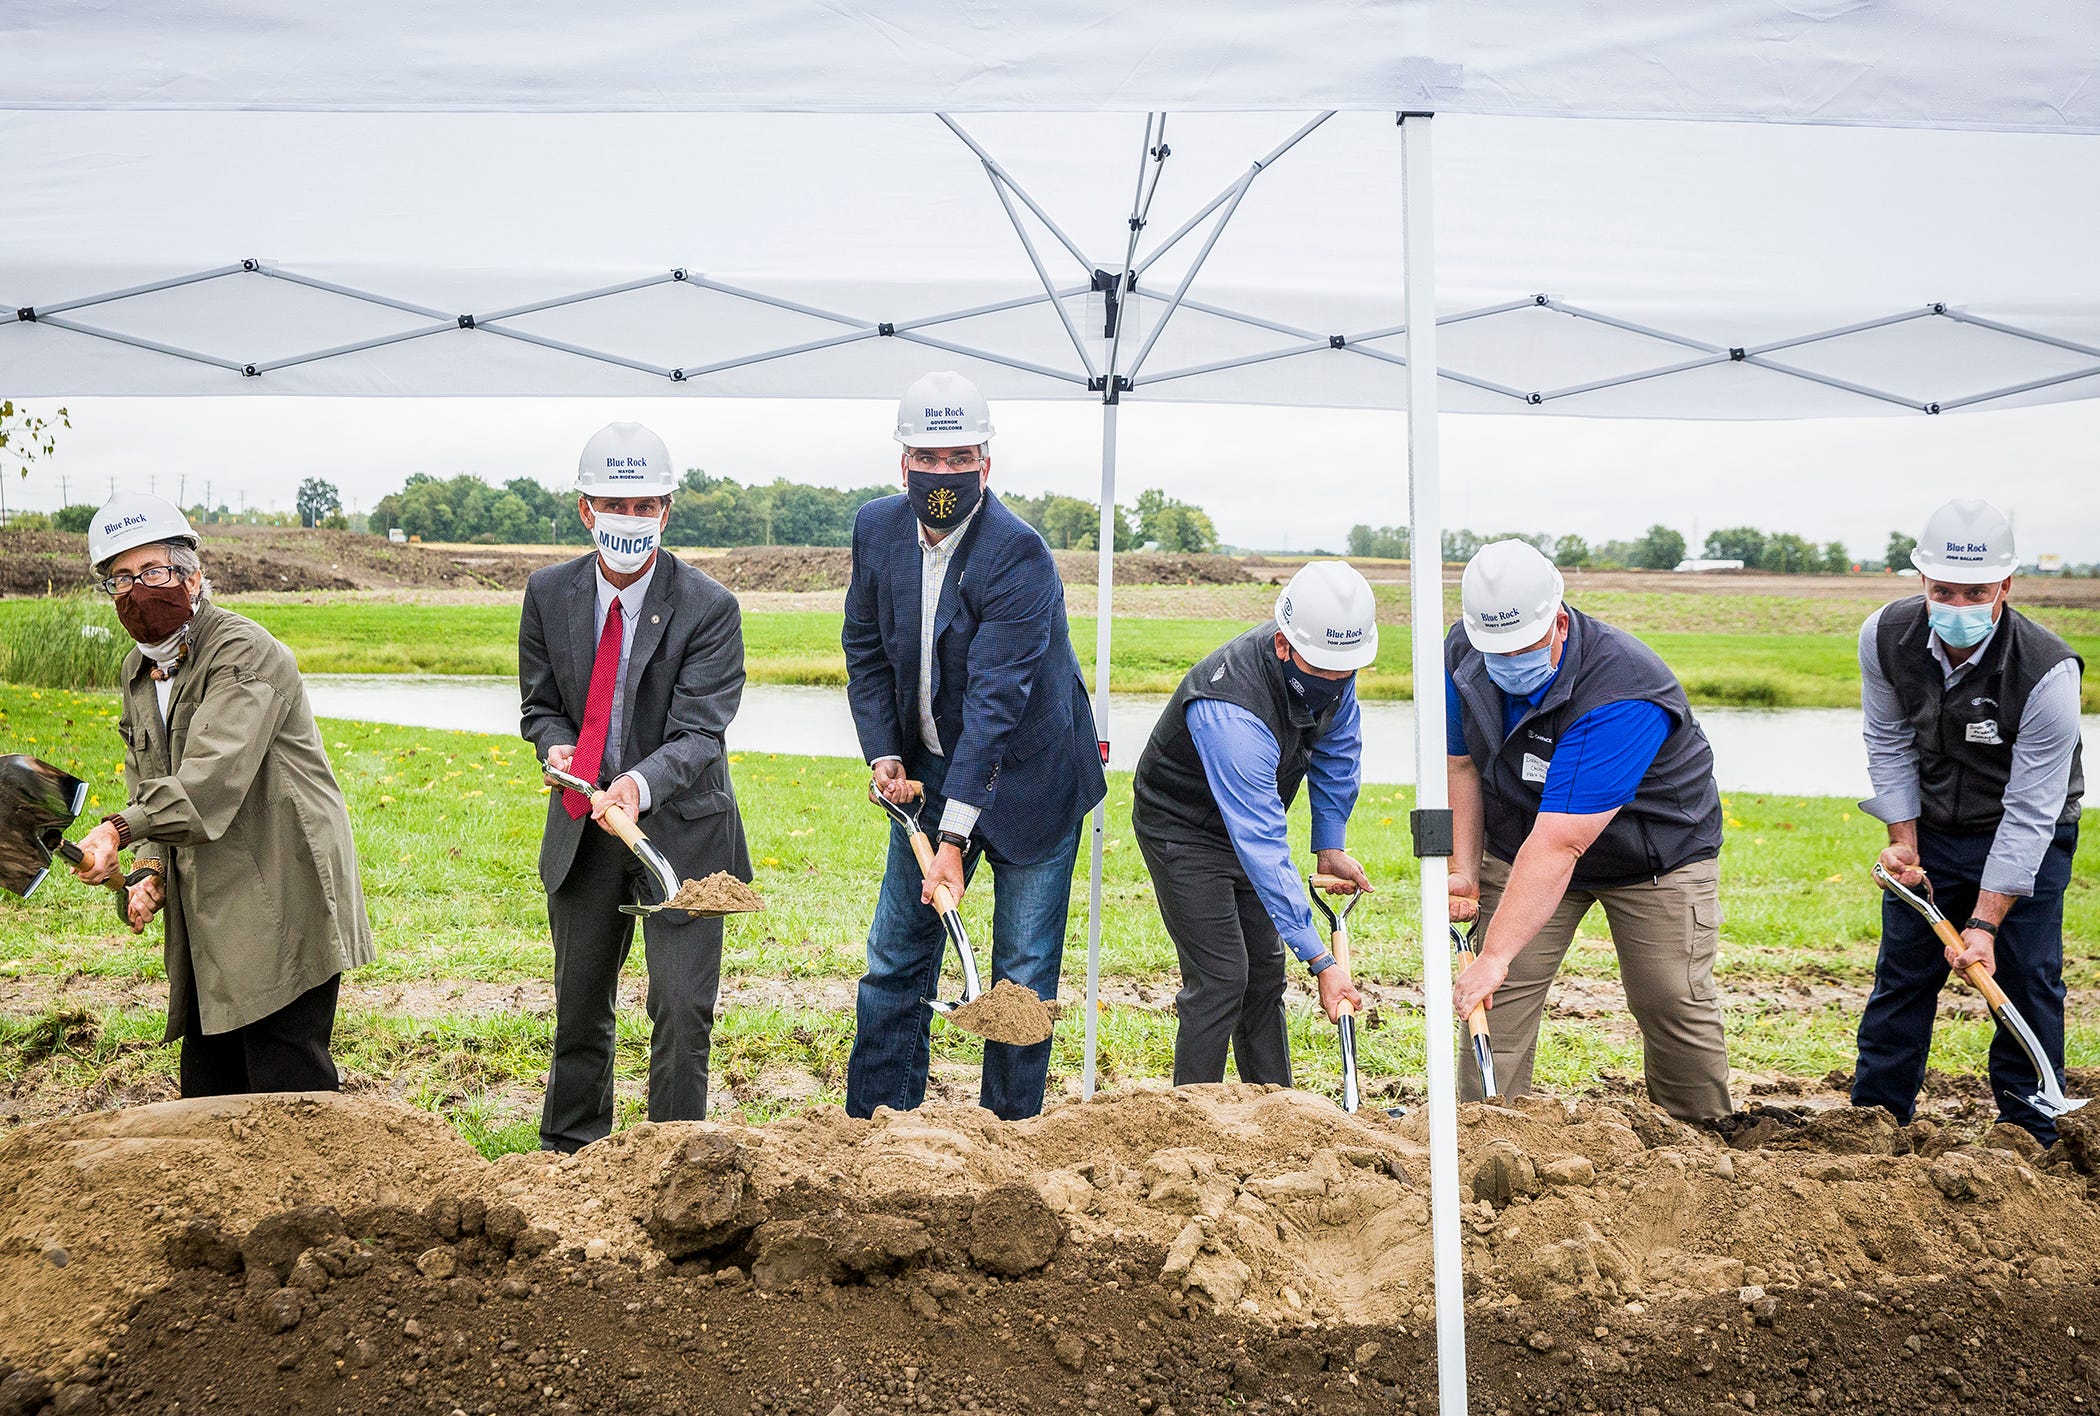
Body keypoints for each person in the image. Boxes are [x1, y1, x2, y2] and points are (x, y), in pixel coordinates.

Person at [842, 370, 1106, 1121]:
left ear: (987, 464)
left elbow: (995, 704)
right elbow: (864, 646)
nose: (943, 474)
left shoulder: (1017, 555)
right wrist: (884, 753)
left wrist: (952, 837)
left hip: (1033, 780)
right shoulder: (876, 529)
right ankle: (877, 1129)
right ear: (903, 463)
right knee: (895, 958)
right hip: (928, 772)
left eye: (961, 459)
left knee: (1019, 980)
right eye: (929, 457)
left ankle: (1008, 1143)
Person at [69, 493, 372, 1095]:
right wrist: (150, 867)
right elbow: (149, 775)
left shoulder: (243, 652)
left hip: (280, 871)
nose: (138, 591)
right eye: (121, 578)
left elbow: (210, 778)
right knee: (210, 1079)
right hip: (209, 882)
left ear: (193, 575)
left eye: (153, 572)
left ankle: (315, 1191)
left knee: (286, 1076)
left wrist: (118, 831)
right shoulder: (138, 671)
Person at [520, 421, 751, 1152]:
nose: (631, 518)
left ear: (667, 510)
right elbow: (541, 703)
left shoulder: (708, 607)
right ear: (586, 509)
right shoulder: (549, 592)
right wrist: (558, 745)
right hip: (584, 827)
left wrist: (636, 789)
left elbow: (700, 734)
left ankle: (674, 1157)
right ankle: (570, 1152)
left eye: (647, 504)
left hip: (682, 831)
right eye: (616, 504)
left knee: (681, 1008)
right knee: (579, 1004)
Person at [1445, 539, 1731, 1122]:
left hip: (1653, 856)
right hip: (1524, 841)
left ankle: (1705, 1144)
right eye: (1493, 649)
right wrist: (1463, 872)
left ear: (1558, 620)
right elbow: (1461, 766)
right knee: (1495, 999)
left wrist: (1495, 951)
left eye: (1521, 648)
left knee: (1670, 998)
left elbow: (1563, 842)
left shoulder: (1622, 689)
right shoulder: (1463, 651)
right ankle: (1484, 1139)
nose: (1504, 663)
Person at [1854, 498, 2082, 1147]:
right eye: (1943, 590)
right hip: (1932, 825)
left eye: (1975, 591)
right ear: (1921, 581)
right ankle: (1875, 1120)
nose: (1958, 605)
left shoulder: (2048, 673)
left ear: (2005, 586)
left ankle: (2028, 1128)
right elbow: (1887, 740)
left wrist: (1983, 923)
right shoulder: (1884, 636)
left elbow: (2031, 810)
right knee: (1903, 972)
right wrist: (1905, 843)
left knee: (2025, 973)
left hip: (2026, 831)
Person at [1131, 561, 1375, 1087]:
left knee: (1264, 972)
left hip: (1244, 821)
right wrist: (1322, 961)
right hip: (1184, 827)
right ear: (1284, 645)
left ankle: (1274, 1106)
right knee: (1221, 976)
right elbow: (1260, 840)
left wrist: (1329, 843)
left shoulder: (1332, 669)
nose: (1335, 683)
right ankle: (1193, 1115)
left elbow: (1337, 751)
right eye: (1324, 671)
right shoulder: (1231, 707)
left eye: (1346, 671)